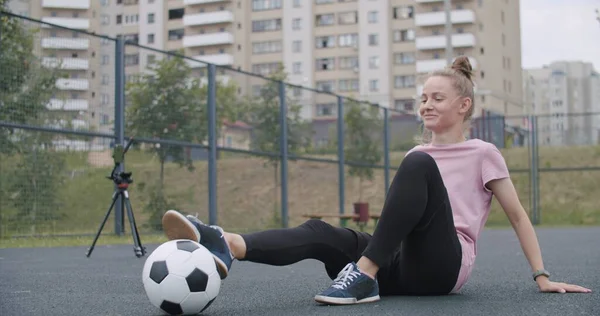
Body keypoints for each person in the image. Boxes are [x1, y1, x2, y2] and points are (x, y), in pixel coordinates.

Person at [160, 56, 592, 305]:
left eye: (437, 98)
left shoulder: (483, 153)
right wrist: (367, 246)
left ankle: (363, 273)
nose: (426, 105)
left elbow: (517, 216)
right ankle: (228, 243)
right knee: (322, 233)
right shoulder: (414, 155)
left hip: (442, 269)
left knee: (420, 164)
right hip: (399, 263)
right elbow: (398, 222)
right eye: (422, 98)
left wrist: (542, 275)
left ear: (464, 105)